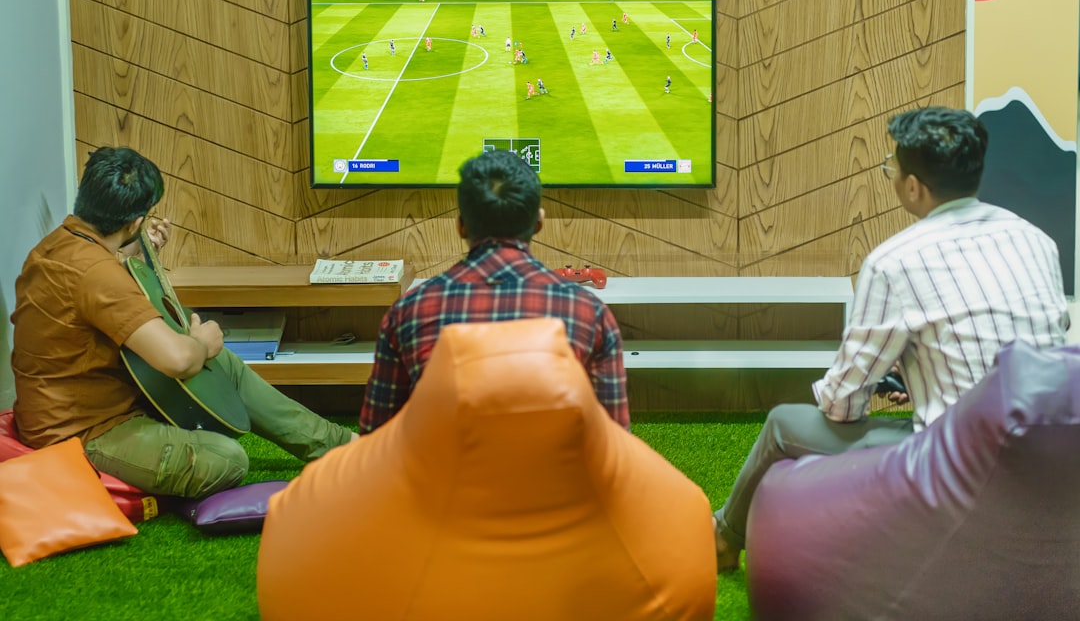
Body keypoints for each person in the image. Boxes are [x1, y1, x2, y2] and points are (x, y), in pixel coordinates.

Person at [711, 106, 1070, 572]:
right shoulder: (1036, 240)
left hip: (958, 466)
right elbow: (1033, 339)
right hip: (1048, 450)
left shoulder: (894, 261)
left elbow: (842, 404)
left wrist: (885, 378)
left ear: (914, 186)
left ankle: (723, 538)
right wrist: (917, 369)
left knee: (782, 424)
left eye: (891, 168)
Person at [10, 147, 355, 500]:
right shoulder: (95, 273)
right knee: (227, 458)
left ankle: (338, 444)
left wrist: (139, 257)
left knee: (224, 365)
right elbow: (176, 359)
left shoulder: (57, 245)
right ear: (134, 223)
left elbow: (101, 299)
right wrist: (202, 342)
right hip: (83, 433)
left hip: (89, 403)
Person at [358, 150, 629, 435]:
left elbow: (375, 439)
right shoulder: (589, 312)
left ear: (460, 225)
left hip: (442, 477)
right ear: (539, 222)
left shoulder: (409, 310)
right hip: (548, 477)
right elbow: (615, 444)